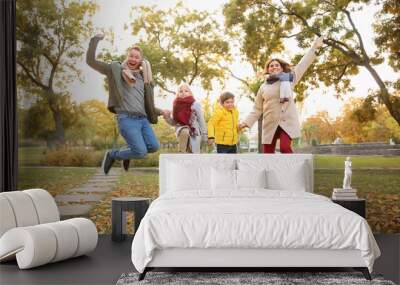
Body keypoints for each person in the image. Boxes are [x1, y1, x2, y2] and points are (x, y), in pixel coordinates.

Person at [86, 33, 169, 174]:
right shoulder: (115, 71)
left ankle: (128, 153)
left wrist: (162, 112)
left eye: (137, 57)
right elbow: (91, 61)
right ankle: (112, 155)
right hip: (126, 118)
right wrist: (95, 41)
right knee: (141, 152)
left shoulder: (144, 78)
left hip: (142, 120)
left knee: (154, 146)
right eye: (131, 55)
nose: (133, 59)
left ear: (141, 60)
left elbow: (145, 105)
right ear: (127, 57)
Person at [238, 36, 324, 153]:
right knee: (268, 152)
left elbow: (302, 65)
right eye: (271, 66)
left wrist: (314, 47)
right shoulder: (263, 87)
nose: (274, 67)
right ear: (268, 69)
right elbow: (257, 109)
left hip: (286, 121)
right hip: (270, 122)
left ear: (281, 67)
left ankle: (291, 170)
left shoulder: (290, 79)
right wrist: (245, 123)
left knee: (285, 148)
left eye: (277, 65)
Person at [163, 83, 207, 153]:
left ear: (190, 93)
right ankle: (181, 152)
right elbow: (174, 122)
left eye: (186, 91)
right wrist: (167, 118)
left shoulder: (195, 104)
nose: (183, 92)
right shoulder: (176, 105)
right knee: (184, 131)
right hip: (181, 130)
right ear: (178, 93)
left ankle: (188, 153)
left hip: (194, 132)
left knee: (192, 154)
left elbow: (201, 120)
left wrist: (205, 134)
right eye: (181, 91)